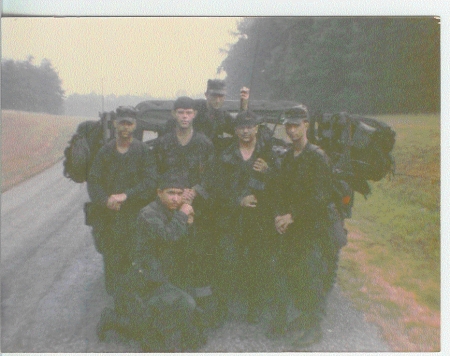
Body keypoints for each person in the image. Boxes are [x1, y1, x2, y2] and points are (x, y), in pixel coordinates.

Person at [96, 172, 206, 352]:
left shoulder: (174, 212)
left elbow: (187, 247)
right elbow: (168, 236)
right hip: (146, 280)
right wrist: (183, 216)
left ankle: (162, 324)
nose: (175, 198)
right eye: (171, 193)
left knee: (193, 330)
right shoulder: (148, 214)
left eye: (179, 194)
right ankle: (112, 319)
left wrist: (190, 223)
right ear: (159, 193)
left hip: (167, 274)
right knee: (149, 336)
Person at [269, 105, 345, 347]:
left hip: (315, 227)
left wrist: (292, 216)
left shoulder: (317, 157)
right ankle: (301, 319)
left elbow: (321, 197)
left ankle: (314, 328)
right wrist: (279, 216)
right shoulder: (289, 157)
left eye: (296, 125)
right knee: (291, 273)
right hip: (294, 226)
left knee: (311, 276)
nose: (292, 130)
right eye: (288, 126)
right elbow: (281, 189)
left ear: (306, 125)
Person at [152, 96, 217, 327]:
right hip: (168, 210)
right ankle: (173, 304)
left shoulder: (204, 143)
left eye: (189, 112)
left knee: (198, 255)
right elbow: (154, 174)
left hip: (198, 212)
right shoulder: (163, 144)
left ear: (195, 115)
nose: (185, 117)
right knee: (169, 255)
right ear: (173, 115)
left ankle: (201, 309)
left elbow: (212, 174)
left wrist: (196, 191)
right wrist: (171, 196)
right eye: (180, 112)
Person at [212, 110, 279, 325]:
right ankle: (221, 307)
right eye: (241, 127)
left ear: (257, 129)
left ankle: (255, 307)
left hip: (259, 220)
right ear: (235, 130)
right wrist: (237, 200)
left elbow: (282, 184)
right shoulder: (225, 154)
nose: (246, 131)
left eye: (250, 127)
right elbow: (216, 187)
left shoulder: (268, 154)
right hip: (232, 219)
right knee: (226, 260)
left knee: (258, 263)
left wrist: (269, 172)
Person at [86, 106, 158, 296]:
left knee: (135, 257)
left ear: (135, 126)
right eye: (121, 123)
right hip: (110, 216)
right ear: (115, 125)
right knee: (112, 259)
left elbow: (150, 182)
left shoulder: (143, 151)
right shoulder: (105, 151)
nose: (125, 128)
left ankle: (134, 300)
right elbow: (93, 181)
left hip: (135, 215)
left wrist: (127, 195)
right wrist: (105, 200)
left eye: (129, 123)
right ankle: (115, 302)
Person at [163, 79, 250, 152]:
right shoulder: (193, 108)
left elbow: (238, 129)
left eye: (221, 96)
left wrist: (243, 106)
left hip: (210, 154)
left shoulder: (222, 115)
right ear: (206, 95)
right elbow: (173, 124)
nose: (217, 100)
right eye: (214, 96)